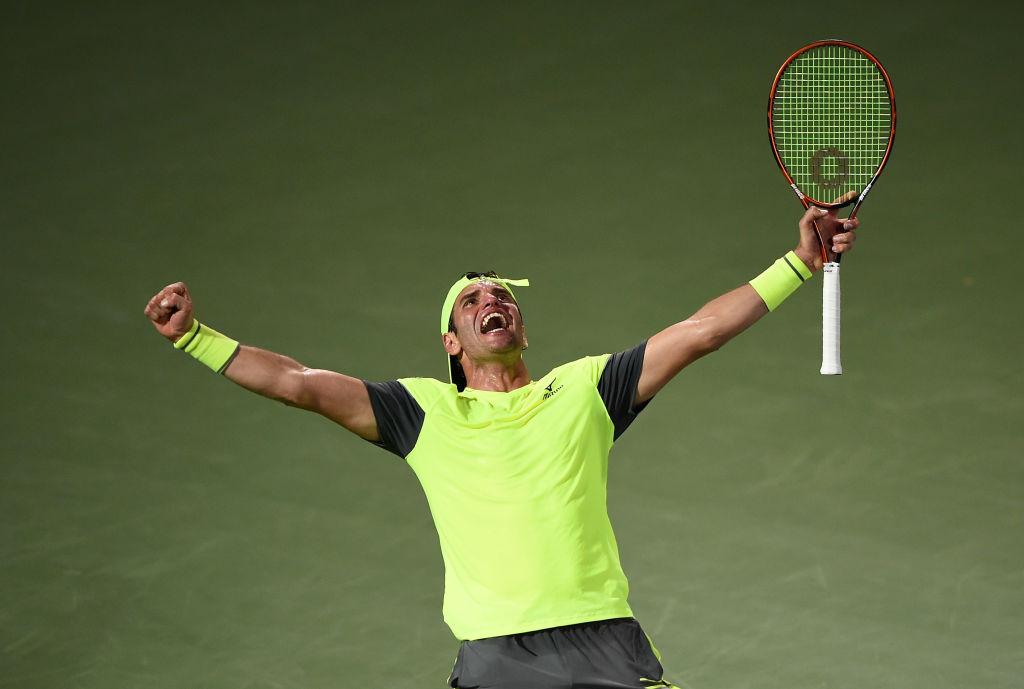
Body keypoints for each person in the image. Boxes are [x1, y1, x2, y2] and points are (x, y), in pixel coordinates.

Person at [144, 201, 857, 689]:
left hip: (604, 637)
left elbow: (700, 330)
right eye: (474, 298)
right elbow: (298, 382)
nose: (494, 301)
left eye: (504, 296)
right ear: (453, 341)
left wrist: (799, 262)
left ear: (519, 326)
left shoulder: (585, 390)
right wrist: (195, 338)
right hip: (499, 658)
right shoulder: (419, 410)